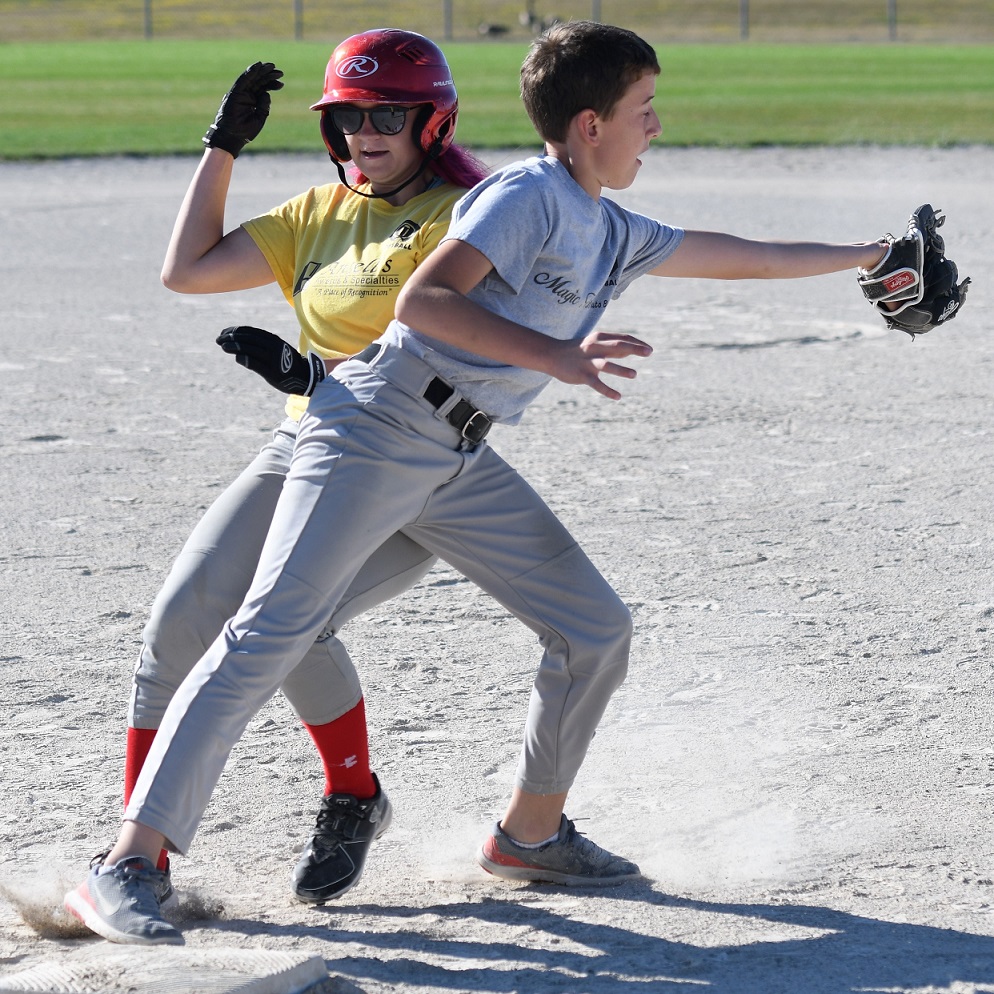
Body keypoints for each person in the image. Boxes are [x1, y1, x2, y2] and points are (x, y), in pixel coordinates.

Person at [66, 19, 895, 946]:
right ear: (589, 125)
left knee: (594, 628)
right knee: (268, 630)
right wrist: (559, 354)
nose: (653, 128)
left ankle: (529, 834)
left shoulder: (607, 223)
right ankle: (128, 864)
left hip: (455, 455)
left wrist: (866, 256)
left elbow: (740, 251)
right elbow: (425, 300)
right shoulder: (524, 196)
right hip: (373, 427)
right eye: (642, 112)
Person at [73, 26, 490, 928]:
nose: (365, 133)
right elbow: (184, 271)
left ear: (432, 119)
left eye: (387, 114)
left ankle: (351, 795)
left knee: (285, 622)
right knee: (177, 622)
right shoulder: (317, 212)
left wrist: (317, 378)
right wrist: (221, 146)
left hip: (408, 466)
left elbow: (455, 362)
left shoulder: (466, 216)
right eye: (346, 117)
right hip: (303, 446)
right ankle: (129, 856)